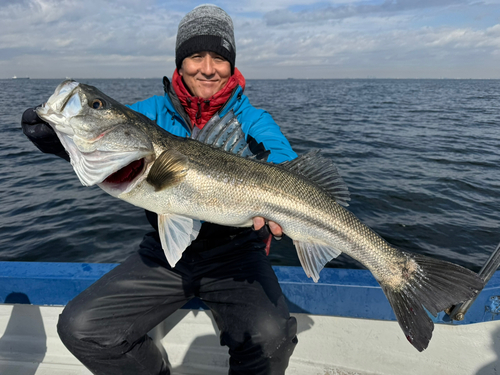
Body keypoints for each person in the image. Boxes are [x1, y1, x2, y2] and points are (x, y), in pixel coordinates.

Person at [21, 5, 298, 375]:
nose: (207, 68)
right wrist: (58, 139)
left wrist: (278, 190)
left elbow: (282, 160)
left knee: (272, 336)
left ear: (232, 66)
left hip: (237, 254)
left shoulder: (252, 120)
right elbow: (113, 136)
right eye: (196, 56)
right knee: (81, 327)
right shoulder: (148, 113)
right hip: (165, 253)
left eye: (219, 58)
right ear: (180, 63)